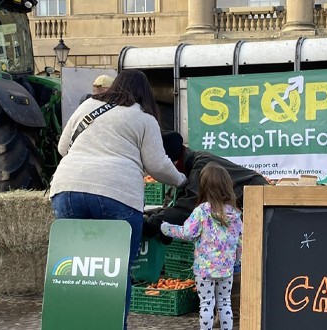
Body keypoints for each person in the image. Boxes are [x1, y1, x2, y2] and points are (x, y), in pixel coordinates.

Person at [49, 69, 187, 330]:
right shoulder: (144, 118)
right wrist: (181, 180)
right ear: (144, 93)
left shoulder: (88, 106)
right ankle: (111, 325)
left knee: (72, 267)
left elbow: (62, 148)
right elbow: (157, 165)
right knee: (116, 269)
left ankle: (69, 323)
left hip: (67, 189)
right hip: (117, 194)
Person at [160, 162, 242, 330]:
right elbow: (239, 241)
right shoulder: (235, 214)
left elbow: (187, 233)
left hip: (204, 269)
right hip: (226, 268)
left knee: (206, 304)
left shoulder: (202, 211)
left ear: (204, 186)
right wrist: (237, 261)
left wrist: (165, 228)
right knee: (225, 303)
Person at [142, 131, 270, 236]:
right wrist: (150, 214)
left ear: (175, 163)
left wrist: (152, 224)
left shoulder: (201, 166)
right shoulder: (192, 166)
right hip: (244, 199)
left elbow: (186, 208)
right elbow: (176, 205)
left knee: (255, 245)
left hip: (256, 194)